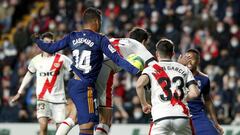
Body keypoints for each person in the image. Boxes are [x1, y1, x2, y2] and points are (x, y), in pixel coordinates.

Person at [32, 7, 140, 135]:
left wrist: (37, 40)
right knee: (88, 125)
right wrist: (136, 71)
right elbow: (117, 59)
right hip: (85, 86)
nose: (100, 24)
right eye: (100, 21)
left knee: (81, 121)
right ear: (96, 21)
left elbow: (51, 48)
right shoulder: (100, 39)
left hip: (74, 84)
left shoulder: (72, 36)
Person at [56, 27, 155, 135]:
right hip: (105, 71)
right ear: (144, 41)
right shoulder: (138, 45)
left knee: (75, 115)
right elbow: (154, 64)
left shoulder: (115, 40)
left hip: (88, 71)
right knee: (105, 120)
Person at [11, 32, 72, 135]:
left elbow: (75, 72)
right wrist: (20, 92)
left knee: (60, 131)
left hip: (59, 99)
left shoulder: (62, 58)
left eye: (51, 42)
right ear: (41, 44)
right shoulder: (35, 60)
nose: (48, 45)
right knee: (43, 126)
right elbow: (29, 75)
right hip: (43, 98)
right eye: (46, 42)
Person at [136, 39, 200, 135]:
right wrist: (181, 97)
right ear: (173, 53)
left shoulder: (151, 69)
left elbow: (139, 85)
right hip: (181, 116)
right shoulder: (184, 68)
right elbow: (195, 93)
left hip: (161, 116)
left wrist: (144, 104)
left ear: (157, 53)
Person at [184, 49, 224, 135]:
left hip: (197, 115)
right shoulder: (177, 75)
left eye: (192, 59)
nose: (189, 62)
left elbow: (208, 100)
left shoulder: (204, 78)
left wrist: (216, 123)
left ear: (198, 61)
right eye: (187, 58)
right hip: (180, 113)